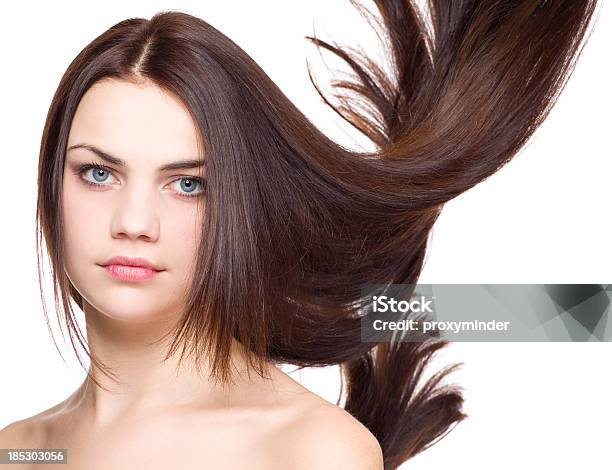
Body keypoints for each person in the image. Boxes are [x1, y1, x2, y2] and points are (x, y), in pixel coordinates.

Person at [0, 1, 599, 469]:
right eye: (98, 174)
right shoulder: (22, 450)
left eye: (187, 186)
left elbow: (572, 312)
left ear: (240, 206)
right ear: (52, 183)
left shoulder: (311, 453)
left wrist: (570, 309)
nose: (133, 222)